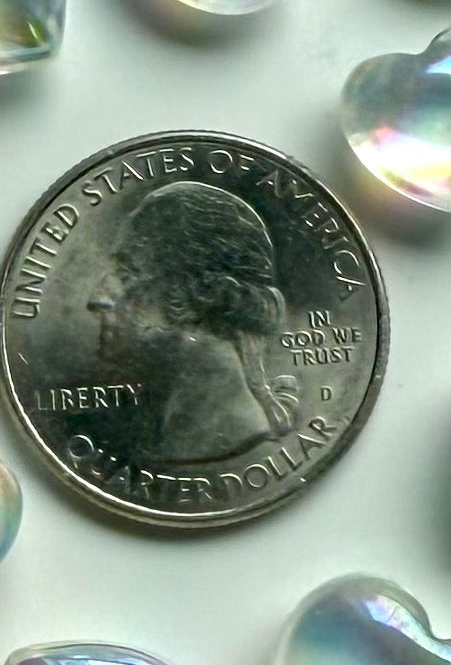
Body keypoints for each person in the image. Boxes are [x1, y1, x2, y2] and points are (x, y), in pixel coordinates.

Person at [85, 177, 299, 461]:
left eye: (128, 272)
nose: (97, 298)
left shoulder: (220, 435)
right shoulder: (174, 431)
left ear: (199, 294)